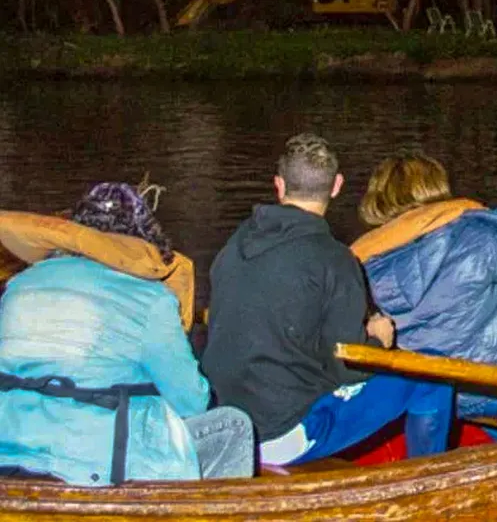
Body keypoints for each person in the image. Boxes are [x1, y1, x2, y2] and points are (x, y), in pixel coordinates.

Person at [202, 133, 453, 467]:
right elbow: (348, 370)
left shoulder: (233, 247)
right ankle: (425, 481)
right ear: (336, 186)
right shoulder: (334, 260)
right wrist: (379, 340)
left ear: (278, 185)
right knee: (432, 377)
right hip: (281, 434)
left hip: (225, 423)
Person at [0, 182, 253, 485]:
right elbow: (192, 403)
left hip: (10, 451)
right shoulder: (151, 299)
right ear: (139, 240)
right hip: (98, 465)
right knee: (234, 425)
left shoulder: (18, 286)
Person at [351, 153, 497, 420]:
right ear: (436, 189)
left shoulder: (360, 264)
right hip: (496, 391)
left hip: (416, 398)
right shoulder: (480, 234)